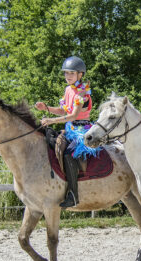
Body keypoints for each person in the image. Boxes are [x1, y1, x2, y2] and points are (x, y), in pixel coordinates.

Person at [35, 56, 98, 208]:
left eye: (71, 73)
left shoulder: (83, 93)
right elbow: (64, 110)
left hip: (83, 129)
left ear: (80, 75)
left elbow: (73, 115)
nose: (67, 76)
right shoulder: (68, 90)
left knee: (70, 153)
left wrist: (51, 120)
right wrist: (47, 108)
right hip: (70, 128)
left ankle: (74, 195)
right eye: (66, 73)